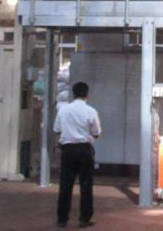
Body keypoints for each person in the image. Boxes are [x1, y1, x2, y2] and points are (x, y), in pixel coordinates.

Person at [54, 81, 101, 228]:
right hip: (84, 150)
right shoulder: (91, 111)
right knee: (86, 185)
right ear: (87, 94)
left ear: (73, 94)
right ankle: (84, 219)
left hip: (68, 150)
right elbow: (97, 132)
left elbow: (56, 130)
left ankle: (62, 219)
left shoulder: (63, 110)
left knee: (65, 185)